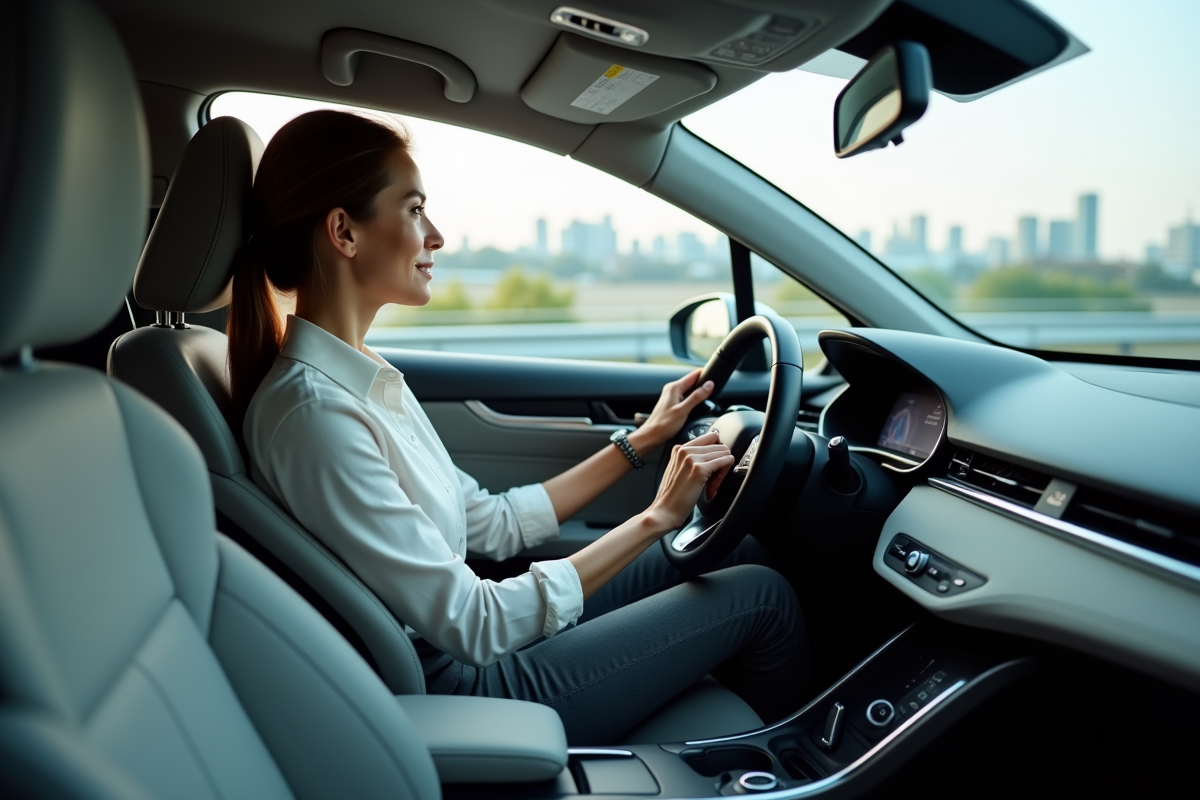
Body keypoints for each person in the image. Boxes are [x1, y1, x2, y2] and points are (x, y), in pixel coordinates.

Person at [229, 109, 808, 744]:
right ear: (344, 231)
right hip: (461, 682)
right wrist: (658, 516)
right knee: (762, 597)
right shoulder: (315, 415)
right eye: (415, 209)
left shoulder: (362, 378)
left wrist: (639, 443)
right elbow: (472, 623)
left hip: (467, 649)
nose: (437, 236)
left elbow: (492, 523)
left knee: (741, 548)